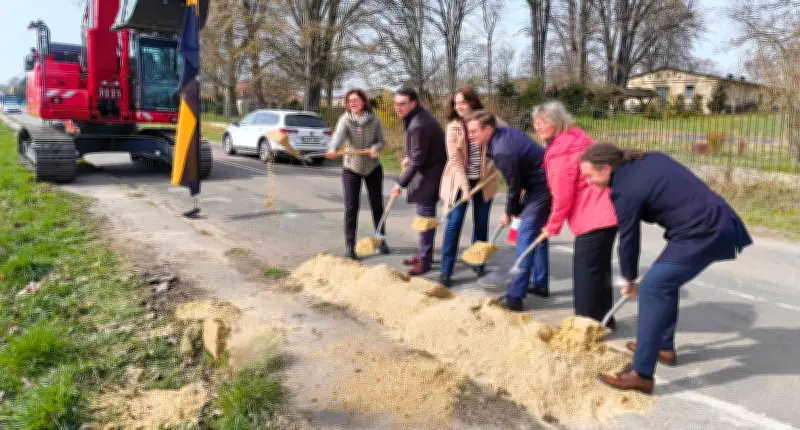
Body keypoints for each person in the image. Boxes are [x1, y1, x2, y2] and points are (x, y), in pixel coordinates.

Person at [579, 143, 753, 394]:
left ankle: (641, 375)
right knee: (662, 283)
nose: (588, 182)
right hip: (708, 223)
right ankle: (663, 347)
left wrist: (629, 278)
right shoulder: (646, 158)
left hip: (705, 231)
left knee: (653, 288)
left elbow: (629, 238)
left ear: (606, 168)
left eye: (590, 176)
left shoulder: (625, 189)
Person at [532, 101, 619, 328]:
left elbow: (562, 196)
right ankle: (605, 320)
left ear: (557, 123)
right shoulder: (577, 138)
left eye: (543, 122)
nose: (537, 126)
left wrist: (552, 226)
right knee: (599, 269)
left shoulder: (561, 152)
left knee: (586, 273)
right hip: (609, 212)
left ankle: (585, 325)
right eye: (535, 122)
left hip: (593, 215)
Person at [466, 110, 552, 312]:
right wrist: (515, 209)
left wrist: (509, 212)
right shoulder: (503, 134)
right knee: (537, 236)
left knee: (525, 237)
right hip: (537, 185)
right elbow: (518, 180)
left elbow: (513, 187)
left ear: (488, 129)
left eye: (474, 132)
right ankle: (540, 284)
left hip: (542, 188)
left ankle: (515, 296)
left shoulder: (502, 150)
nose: (470, 136)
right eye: (469, 132)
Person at [438, 87, 502, 287]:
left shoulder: (490, 120)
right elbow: (455, 161)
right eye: (456, 103)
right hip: (459, 183)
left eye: (463, 103)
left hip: (484, 182)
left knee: (481, 223)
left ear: (472, 103)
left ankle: (478, 262)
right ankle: (446, 270)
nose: (459, 107)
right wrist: (465, 189)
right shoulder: (453, 128)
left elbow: (507, 136)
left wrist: (498, 161)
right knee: (454, 223)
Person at [327, 88, 389, 260]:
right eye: (350, 101)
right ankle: (350, 246)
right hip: (351, 168)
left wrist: (375, 148)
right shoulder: (345, 119)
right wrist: (333, 148)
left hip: (373, 167)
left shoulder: (374, 120)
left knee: (377, 205)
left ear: (363, 101)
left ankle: (381, 240)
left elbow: (381, 141)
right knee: (351, 207)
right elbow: (338, 137)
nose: (353, 103)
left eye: (356, 100)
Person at [391, 87, 448, 276]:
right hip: (426, 172)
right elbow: (416, 150)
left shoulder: (419, 123)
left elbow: (417, 160)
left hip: (430, 175)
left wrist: (400, 183)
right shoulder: (414, 117)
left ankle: (425, 260)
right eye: (396, 104)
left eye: (402, 104)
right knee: (423, 217)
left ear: (413, 103)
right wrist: (408, 155)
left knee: (425, 218)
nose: (398, 108)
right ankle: (423, 253)